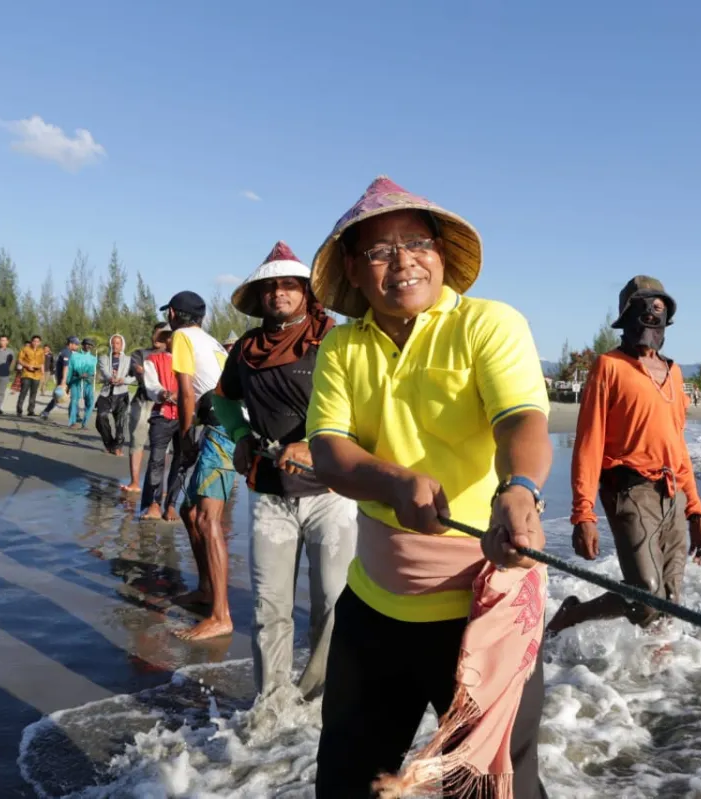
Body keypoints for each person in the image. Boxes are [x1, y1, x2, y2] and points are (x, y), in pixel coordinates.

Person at [305, 176, 552, 798]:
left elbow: (521, 420)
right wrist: (391, 480)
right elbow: (328, 450)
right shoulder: (341, 346)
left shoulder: (487, 323)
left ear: (441, 254)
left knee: (492, 786)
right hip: (373, 608)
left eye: (417, 242)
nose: (403, 261)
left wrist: (519, 489)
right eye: (378, 251)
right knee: (346, 784)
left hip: (482, 613)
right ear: (353, 272)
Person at [212, 241, 358, 702]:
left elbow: (365, 408)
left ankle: (317, 701)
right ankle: (272, 704)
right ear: (260, 297)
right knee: (268, 606)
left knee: (332, 603)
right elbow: (222, 398)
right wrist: (239, 435)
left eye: (289, 285)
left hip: (331, 493)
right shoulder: (246, 350)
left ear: (306, 292)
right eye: (270, 287)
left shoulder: (335, 341)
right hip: (269, 491)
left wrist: (317, 445)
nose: (278, 293)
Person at [547, 276, 701, 637]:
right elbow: (589, 443)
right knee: (646, 598)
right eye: (643, 308)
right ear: (626, 316)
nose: (651, 316)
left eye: (658, 309)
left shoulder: (674, 373)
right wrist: (583, 514)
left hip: (672, 491)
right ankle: (572, 615)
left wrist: (696, 514)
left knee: (671, 601)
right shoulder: (609, 366)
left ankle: (659, 663)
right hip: (629, 489)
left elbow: (677, 447)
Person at [160, 291, 236, 641]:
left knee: (207, 519)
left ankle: (221, 616)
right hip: (224, 423)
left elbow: (187, 392)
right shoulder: (209, 340)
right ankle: (206, 589)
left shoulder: (182, 337)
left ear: (174, 314)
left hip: (223, 428)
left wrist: (186, 437)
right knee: (189, 511)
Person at [140, 326, 182, 520]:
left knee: (181, 462)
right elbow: (151, 386)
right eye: (171, 337)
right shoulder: (153, 360)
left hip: (186, 416)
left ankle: (171, 504)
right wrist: (164, 393)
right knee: (156, 460)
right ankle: (153, 503)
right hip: (161, 415)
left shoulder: (191, 361)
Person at [123, 323, 169, 493]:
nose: (157, 337)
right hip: (143, 401)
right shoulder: (140, 353)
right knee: (137, 441)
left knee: (162, 446)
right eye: (155, 333)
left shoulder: (172, 355)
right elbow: (139, 373)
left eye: (161, 334)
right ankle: (135, 482)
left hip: (165, 404)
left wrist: (148, 372)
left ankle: (159, 486)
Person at [96, 334, 133, 455]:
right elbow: (104, 371)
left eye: (117, 343)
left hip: (122, 394)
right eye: (113, 343)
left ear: (122, 345)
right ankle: (109, 443)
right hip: (106, 393)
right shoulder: (104, 358)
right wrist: (110, 378)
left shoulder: (129, 360)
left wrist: (124, 380)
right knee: (101, 417)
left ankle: (117, 447)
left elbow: (133, 376)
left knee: (120, 422)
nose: (115, 345)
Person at [40, 337, 80, 421]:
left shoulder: (66, 352)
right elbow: (65, 367)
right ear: (70, 344)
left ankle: (76, 415)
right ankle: (45, 412)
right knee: (59, 397)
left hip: (67, 378)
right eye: (76, 344)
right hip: (64, 379)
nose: (77, 346)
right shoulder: (66, 353)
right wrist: (63, 381)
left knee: (72, 396)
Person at [66, 338, 98, 429]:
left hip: (88, 382)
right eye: (87, 344)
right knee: (74, 401)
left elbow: (92, 371)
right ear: (82, 345)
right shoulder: (74, 356)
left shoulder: (93, 358)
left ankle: (85, 423)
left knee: (90, 402)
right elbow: (70, 369)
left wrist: (88, 374)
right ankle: (72, 422)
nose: (88, 346)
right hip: (75, 381)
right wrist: (68, 383)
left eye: (90, 345)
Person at [15, 336, 46, 416]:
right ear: (31, 341)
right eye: (34, 341)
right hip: (27, 373)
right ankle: (19, 410)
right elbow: (19, 360)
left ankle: (31, 410)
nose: (36, 343)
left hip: (37, 374)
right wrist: (27, 365)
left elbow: (42, 363)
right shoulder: (25, 349)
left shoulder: (41, 351)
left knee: (33, 393)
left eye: (37, 341)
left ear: (40, 343)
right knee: (23, 392)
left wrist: (43, 374)